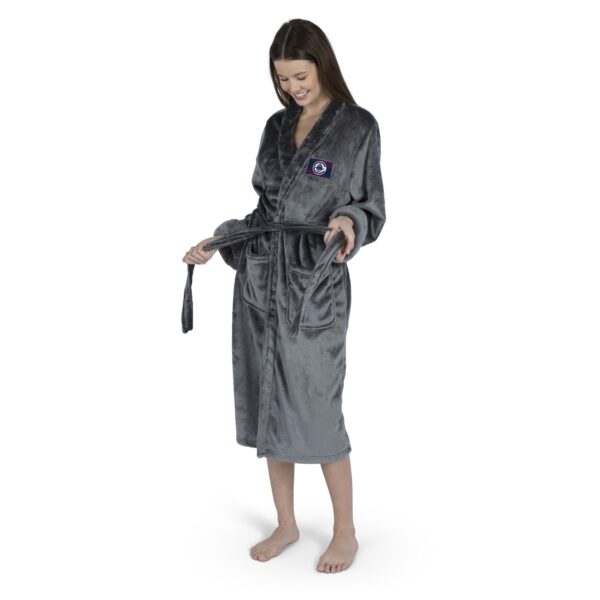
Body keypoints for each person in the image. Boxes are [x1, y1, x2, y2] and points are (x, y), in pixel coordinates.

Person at [182, 19, 385, 573]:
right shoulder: (275, 127)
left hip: (314, 284)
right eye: (282, 79)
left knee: (319, 409)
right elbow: (264, 211)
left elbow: (370, 204)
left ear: (322, 65)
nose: (292, 87)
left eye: (300, 76)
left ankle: (345, 532)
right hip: (262, 281)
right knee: (270, 404)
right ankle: (287, 523)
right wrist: (219, 241)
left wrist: (348, 222)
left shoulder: (357, 127)